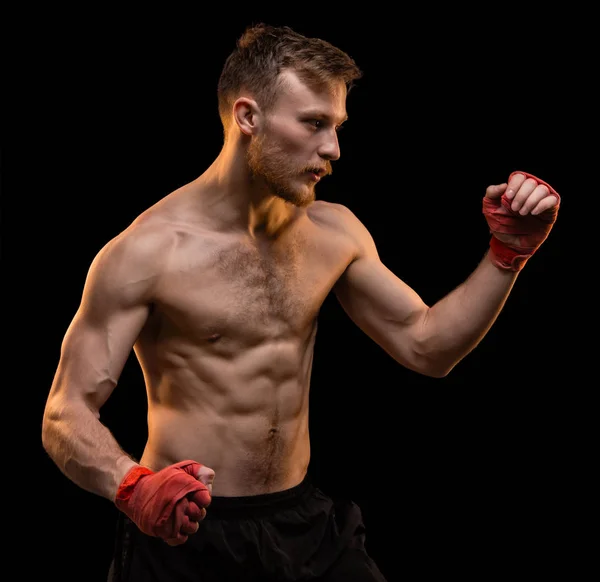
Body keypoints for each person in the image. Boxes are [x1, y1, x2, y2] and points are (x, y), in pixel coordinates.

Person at [41, 22, 561, 582]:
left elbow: (427, 347)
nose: (333, 148)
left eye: (336, 126)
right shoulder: (147, 252)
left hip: (305, 525)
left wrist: (507, 253)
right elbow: (64, 413)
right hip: (185, 533)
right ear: (247, 117)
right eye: (314, 123)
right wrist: (133, 486)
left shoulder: (332, 232)